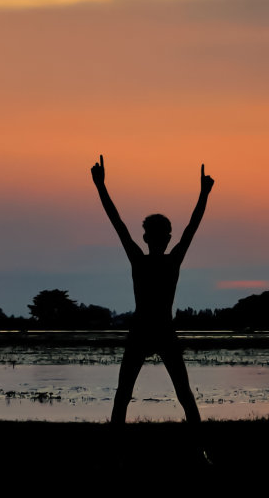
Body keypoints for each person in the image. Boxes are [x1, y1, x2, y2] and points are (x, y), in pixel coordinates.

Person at [91, 156, 212, 432]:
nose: (163, 239)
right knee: (178, 394)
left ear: (148, 238)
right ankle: (197, 446)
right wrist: (204, 194)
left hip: (153, 330)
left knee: (130, 394)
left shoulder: (146, 260)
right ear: (162, 238)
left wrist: (101, 186)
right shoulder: (165, 260)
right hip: (152, 330)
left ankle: (196, 447)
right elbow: (190, 228)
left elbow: (119, 223)